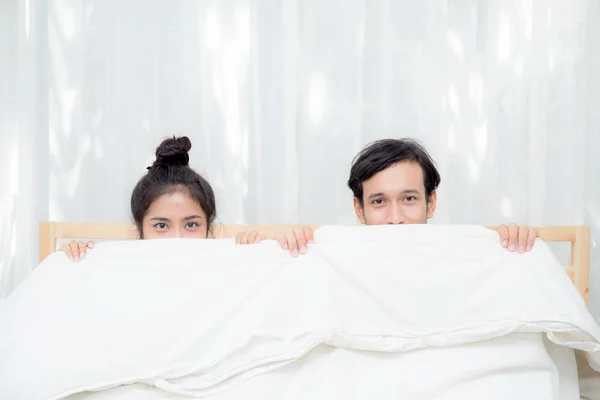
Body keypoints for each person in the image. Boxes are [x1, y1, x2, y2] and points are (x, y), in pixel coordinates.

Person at [257, 138, 538, 257]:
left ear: (431, 202)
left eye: (409, 199)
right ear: (359, 209)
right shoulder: (335, 256)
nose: (395, 219)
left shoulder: (461, 254)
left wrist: (512, 246)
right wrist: (282, 249)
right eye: (379, 202)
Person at [61, 136, 243, 261]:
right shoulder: (121, 274)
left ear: (208, 226)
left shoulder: (224, 273)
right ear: (141, 228)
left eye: (191, 224)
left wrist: (256, 254)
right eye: (161, 226)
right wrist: (73, 261)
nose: (177, 239)